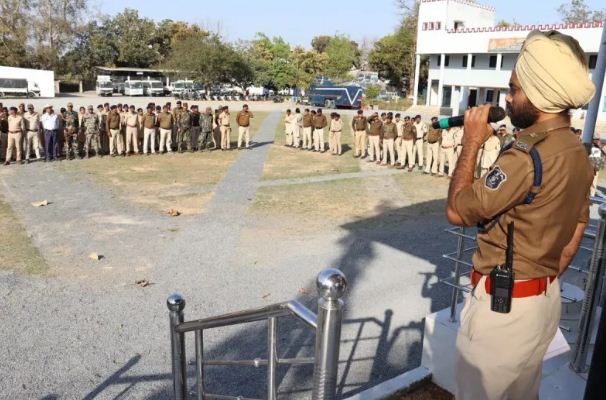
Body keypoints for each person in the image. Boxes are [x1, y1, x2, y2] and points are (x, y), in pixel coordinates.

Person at [446, 30, 595, 400]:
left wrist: (472, 141)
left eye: (514, 88)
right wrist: (543, 279)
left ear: (539, 92)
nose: (508, 97)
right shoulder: (576, 150)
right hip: (543, 302)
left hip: (504, 314)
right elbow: (579, 225)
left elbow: (457, 211)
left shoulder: (526, 156)